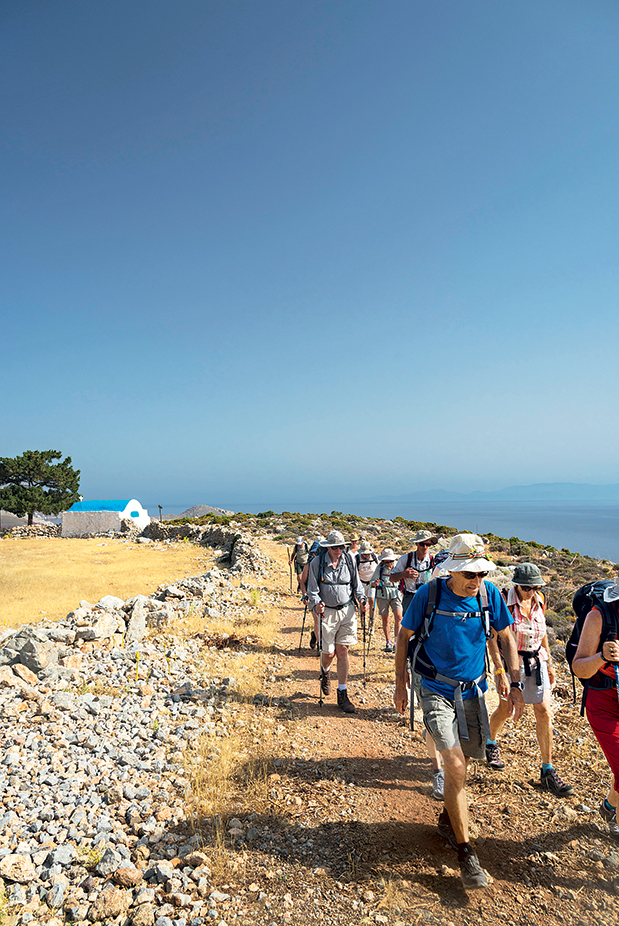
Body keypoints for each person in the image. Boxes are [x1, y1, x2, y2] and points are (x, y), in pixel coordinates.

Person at [394, 533, 525, 890]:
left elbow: (507, 638)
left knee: (465, 765)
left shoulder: (489, 595)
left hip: (473, 691)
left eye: (481, 574)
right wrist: (399, 684)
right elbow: (404, 636)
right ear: (452, 570)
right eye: (470, 574)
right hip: (434, 687)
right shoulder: (429, 594)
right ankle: (467, 854)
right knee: (453, 764)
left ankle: (448, 818)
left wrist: (514, 683)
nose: (476, 581)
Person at [486, 563, 572, 796]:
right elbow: (493, 640)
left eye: (534, 587)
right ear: (517, 584)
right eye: (526, 587)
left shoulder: (540, 600)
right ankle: (490, 742)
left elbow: (542, 635)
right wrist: (499, 672)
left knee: (543, 711)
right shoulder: (504, 602)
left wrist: (550, 663)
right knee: (506, 710)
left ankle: (547, 770)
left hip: (537, 661)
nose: (530, 591)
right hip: (511, 663)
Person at [572, 576, 619, 843]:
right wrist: (603, 656)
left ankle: (610, 808)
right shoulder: (600, 616)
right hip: (604, 702)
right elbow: (579, 668)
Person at [307, 530, 367, 714]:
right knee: (329, 653)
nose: (338, 550)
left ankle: (342, 692)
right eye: (335, 547)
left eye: (341, 546)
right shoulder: (317, 563)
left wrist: (363, 600)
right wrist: (317, 604)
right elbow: (313, 590)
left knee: (343, 650)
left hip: (347, 611)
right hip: (328, 613)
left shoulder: (349, 560)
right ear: (328, 547)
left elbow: (357, 586)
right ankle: (325, 671)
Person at [391, 530, 438, 615]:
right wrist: (403, 574)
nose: (425, 547)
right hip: (409, 596)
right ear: (416, 544)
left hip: (427, 596)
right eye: (422, 544)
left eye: (428, 544)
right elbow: (392, 578)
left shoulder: (433, 561)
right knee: (408, 625)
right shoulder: (405, 559)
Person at [369, 548, 403, 654]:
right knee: (386, 619)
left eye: (390, 561)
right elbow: (372, 582)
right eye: (386, 561)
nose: (389, 563)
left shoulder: (398, 566)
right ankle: (388, 642)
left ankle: (396, 643)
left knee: (398, 617)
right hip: (382, 595)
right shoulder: (380, 567)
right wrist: (375, 583)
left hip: (396, 594)